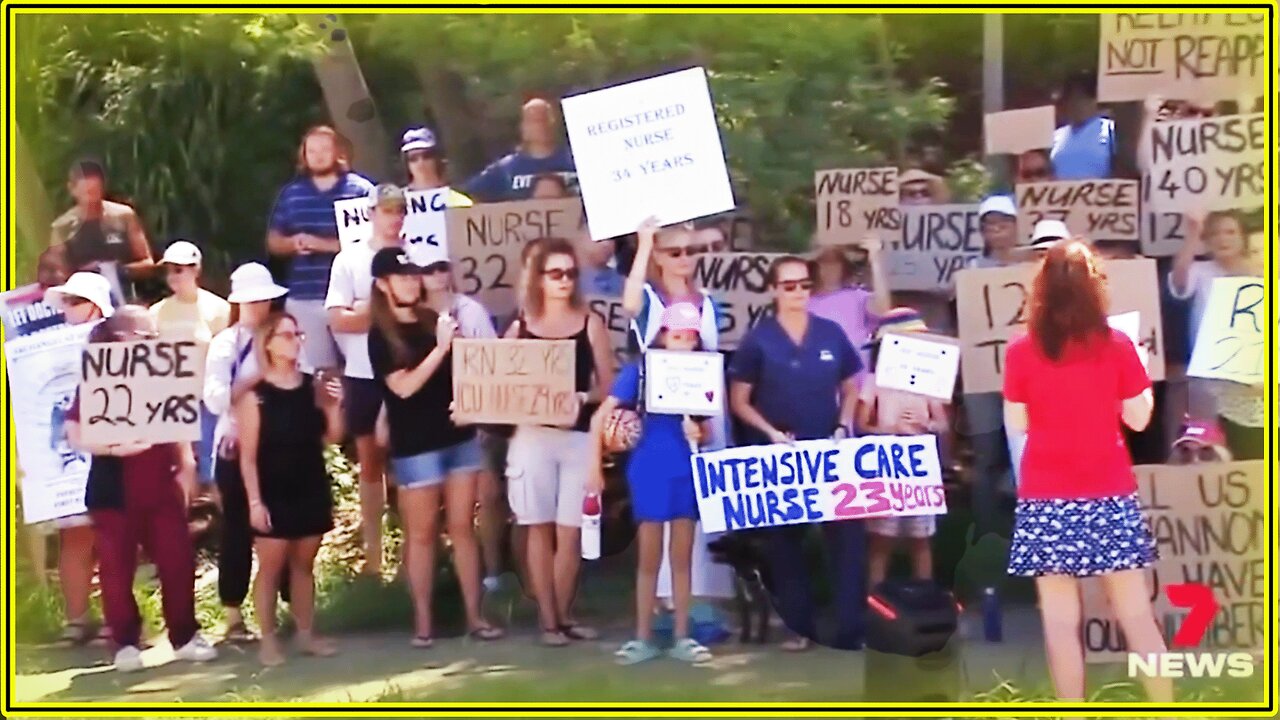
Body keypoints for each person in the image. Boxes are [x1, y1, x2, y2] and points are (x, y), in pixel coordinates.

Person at [1002, 240, 1170, 702]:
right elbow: (1139, 419)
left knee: (1059, 623)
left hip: (1046, 494)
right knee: (1136, 615)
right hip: (1109, 490)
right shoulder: (1117, 345)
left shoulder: (1020, 352)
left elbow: (1018, 423)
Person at [64, 307, 217, 673]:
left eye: (153, 336)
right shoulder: (97, 380)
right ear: (119, 339)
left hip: (161, 486)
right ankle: (125, 643)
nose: (150, 343)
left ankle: (185, 636)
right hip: (114, 489)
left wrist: (187, 467)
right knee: (116, 570)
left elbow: (179, 427)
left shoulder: (163, 376)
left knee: (178, 561)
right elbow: (74, 433)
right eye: (143, 336)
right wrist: (114, 448)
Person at [367, 247, 504, 647]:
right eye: (402, 275)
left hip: (458, 438)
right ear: (383, 284)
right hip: (415, 447)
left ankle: (475, 617)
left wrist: (471, 405)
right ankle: (423, 623)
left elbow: (466, 373)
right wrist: (440, 349)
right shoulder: (380, 334)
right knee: (422, 534)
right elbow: (404, 387)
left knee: (464, 529)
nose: (412, 281)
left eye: (414, 274)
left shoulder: (437, 321)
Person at [729, 256, 864, 652]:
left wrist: (843, 424)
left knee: (848, 539)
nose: (798, 292)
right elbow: (739, 399)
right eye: (788, 285)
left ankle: (849, 630)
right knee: (785, 545)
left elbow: (851, 384)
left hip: (829, 451)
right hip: (779, 457)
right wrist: (770, 433)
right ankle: (799, 627)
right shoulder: (759, 339)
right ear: (774, 290)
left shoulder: (830, 332)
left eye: (804, 284)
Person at [590, 302, 715, 665]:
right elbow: (603, 414)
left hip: (686, 470)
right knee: (648, 558)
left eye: (691, 337)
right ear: (663, 334)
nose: (684, 343)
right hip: (649, 470)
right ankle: (642, 637)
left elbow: (705, 429)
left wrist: (700, 431)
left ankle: (682, 636)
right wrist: (594, 466)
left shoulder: (703, 372)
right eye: (677, 335)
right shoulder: (640, 371)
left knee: (682, 558)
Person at [621, 218, 735, 616]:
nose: (684, 258)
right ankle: (659, 609)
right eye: (675, 251)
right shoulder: (650, 298)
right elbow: (629, 304)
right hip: (659, 423)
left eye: (690, 251)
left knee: (701, 524)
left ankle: (701, 608)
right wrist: (643, 244)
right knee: (661, 525)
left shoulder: (708, 301)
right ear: (659, 256)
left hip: (704, 417)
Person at [505, 237, 614, 646]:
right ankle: (548, 621)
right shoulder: (520, 326)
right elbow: (495, 381)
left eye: (571, 273)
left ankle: (564, 616)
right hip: (532, 437)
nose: (564, 281)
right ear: (539, 279)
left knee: (570, 530)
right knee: (537, 527)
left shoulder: (591, 323)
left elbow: (609, 385)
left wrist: (583, 397)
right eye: (555, 273)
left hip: (578, 438)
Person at [235, 312, 344, 666]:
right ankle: (267, 639)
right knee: (269, 567)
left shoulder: (313, 386)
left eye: (297, 333)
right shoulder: (255, 395)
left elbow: (333, 437)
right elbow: (247, 457)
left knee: (303, 566)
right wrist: (254, 502)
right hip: (271, 489)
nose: (294, 340)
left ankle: (305, 633)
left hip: (309, 482)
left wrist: (334, 405)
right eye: (285, 335)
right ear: (267, 342)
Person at [203, 262, 291, 642]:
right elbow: (214, 399)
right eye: (252, 301)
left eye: (264, 300)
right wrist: (256, 379)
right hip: (235, 446)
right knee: (237, 531)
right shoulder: (226, 345)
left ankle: (291, 609)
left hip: (280, 445)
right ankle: (234, 615)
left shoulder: (285, 335)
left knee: (286, 524)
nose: (259, 307)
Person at [325, 184, 408, 575]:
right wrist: (379, 311)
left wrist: (368, 310)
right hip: (362, 374)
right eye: (387, 210)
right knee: (370, 463)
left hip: (408, 371)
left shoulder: (416, 256)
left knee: (409, 461)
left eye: (400, 210)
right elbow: (338, 318)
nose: (394, 217)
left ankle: (413, 554)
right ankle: (374, 555)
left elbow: (421, 314)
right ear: (372, 212)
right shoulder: (350, 259)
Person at [417, 251, 508, 593]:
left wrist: (484, 418)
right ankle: (438, 576)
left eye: (443, 267)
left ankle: (493, 571)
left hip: (471, 415)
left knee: (487, 493)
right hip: (424, 415)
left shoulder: (471, 311)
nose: (438, 275)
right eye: (429, 269)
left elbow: (491, 362)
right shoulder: (411, 314)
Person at [40, 271, 115, 644]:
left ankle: (119, 619)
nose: (67, 309)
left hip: (114, 455)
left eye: (75, 301)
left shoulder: (118, 342)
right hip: (68, 458)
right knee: (75, 537)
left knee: (115, 537)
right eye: (66, 302)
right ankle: (77, 619)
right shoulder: (45, 348)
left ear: (96, 306)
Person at [266, 125, 376, 372]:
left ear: (339, 152)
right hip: (305, 297)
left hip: (353, 298)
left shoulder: (361, 191)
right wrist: (293, 244)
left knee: (366, 369)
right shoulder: (291, 194)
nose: (318, 155)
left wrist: (324, 245)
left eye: (325, 149)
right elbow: (273, 241)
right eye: (311, 150)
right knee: (319, 374)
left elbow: (374, 241)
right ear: (303, 155)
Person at [857, 309, 949, 586]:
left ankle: (924, 598)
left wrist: (927, 423)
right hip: (888, 462)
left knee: (920, 539)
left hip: (920, 464)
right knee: (881, 539)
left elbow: (942, 424)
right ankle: (875, 603)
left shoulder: (929, 382)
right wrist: (889, 429)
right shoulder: (874, 381)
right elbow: (861, 424)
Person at [963, 195, 1033, 539]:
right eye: (989, 224)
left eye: (1003, 223)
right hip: (984, 377)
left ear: (1016, 226)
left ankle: (1026, 528)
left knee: (1025, 453)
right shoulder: (971, 269)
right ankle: (987, 535)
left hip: (1027, 380)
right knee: (986, 455)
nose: (997, 230)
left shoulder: (1033, 266)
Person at [1168, 211, 1263, 460]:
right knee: (1209, 449)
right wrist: (1193, 234)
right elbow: (1178, 283)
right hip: (1208, 379)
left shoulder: (1259, 271)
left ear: (1244, 238)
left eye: (1230, 232)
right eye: (1215, 233)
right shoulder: (1201, 271)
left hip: (1252, 378)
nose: (1223, 239)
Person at [149, 240, 231, 490]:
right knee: (181, 469)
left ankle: (219, 521)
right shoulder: (155, 313)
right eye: (169, 270)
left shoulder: (218, 308)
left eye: (179, 269)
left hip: (207, 399)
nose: (172, 276)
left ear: (196, 270)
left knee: (212, 466)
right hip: (171, 403)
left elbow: (226, 355)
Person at [50, 159, 155, 302]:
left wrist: (117, 271)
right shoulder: (62, 228)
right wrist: (90, 275)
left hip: (130, 297)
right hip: (89, 303)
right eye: (87, 193)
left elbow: (148, 263)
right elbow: (60, 279)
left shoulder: (123, 216)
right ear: (72, 190)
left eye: (95, 192)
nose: (92, 199)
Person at [810, 238, 891, 383]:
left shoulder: (857, 296)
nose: (829, 268)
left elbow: (883, 310)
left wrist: (875, 260)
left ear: (844, 266)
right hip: (820, 385)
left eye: (835, 262)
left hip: (858, 385)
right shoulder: (804, 301)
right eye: (824, 262)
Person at [464, 98, 577, 202]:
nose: (540, 125)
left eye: (545, 119)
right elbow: (467, 195)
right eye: (534, 121)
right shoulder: (506, 168)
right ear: (523, 128)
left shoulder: (579, 160)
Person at [1049, 70, 1116, 180]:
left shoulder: (1111, 131)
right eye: (1069, 98)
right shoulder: (1055, 137)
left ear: (1094, 100)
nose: (1073, 104)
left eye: (1079, 98)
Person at [400, 126, 473, 207]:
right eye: (413, 158)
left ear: (437, 159)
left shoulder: (460, 201)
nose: (421, 163)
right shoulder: (397, 203)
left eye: (426, 156)